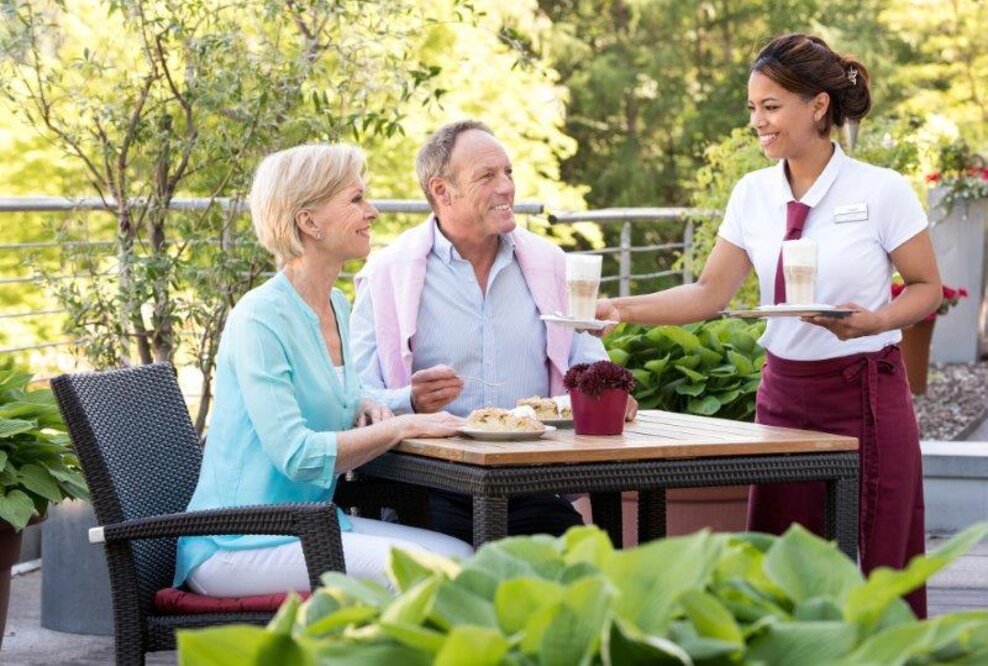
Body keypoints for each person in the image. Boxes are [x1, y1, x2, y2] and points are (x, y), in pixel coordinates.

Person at [594, 34, 940, 617]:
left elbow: (928, 288)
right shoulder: (752, 194)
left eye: (771, 106)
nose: (758, 121)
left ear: (818, 106)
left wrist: (875, 320)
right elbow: (709, 292)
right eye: (753, 108)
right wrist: (621, 309)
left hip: (867, 391)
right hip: (783, 394)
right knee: (777, 564)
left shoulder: (880, 190)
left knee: (885, 559)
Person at [173, 144, 472, 598]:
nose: (371, 212)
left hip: (312, 526)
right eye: (355, 199)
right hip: (237, 541)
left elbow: (338, 399)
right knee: (428, 573)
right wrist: (403, 426)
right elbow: (298, 454)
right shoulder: (260, 318)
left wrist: (379, 404)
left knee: (462, 557)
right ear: (308, 222)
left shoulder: (335, 303)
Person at [351, 120, 637, 543]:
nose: (506, 187)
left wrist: (608, 390)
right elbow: (357, 393)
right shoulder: (388, 273)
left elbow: (587, 357)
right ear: (441, 191)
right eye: (487, 176)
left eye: (508, 173)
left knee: (585, 565)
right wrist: (409, 400)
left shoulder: (549, 263)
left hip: (529, 484)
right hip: (429, 486)